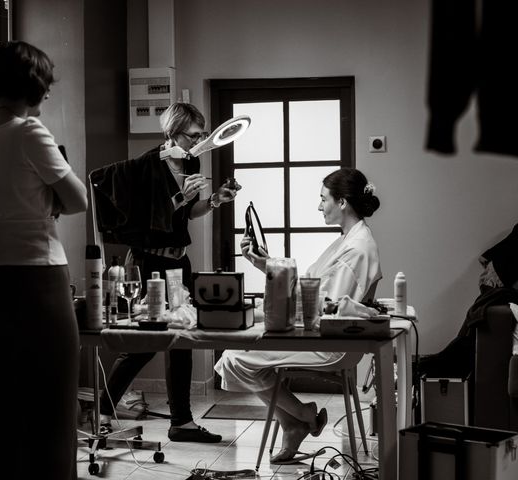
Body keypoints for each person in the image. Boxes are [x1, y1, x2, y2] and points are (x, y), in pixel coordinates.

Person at [0, 41, 88, 480]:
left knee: (1, 406)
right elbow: (77, 201)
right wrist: (46, 199)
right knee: (53, 408)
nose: (50, 93)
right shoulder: (30, 133)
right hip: (38, 279)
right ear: (34, 85)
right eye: (47, 84)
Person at [91, 102, 239, 442]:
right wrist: (176, 199)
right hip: (147, 263)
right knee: (144, 344)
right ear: (172, 132)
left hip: (178, 262)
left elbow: (188, 213)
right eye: (194, 135)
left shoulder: (192, 160)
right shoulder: (144, 167)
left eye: (203, 135)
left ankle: (182, 423)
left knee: (182, 339)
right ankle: (100, 411)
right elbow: (136, 221)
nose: (199, 142)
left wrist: (215, 200)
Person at [215, 168, 382, 463]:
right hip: (317, 331)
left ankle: (300, 416)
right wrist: (266, 263)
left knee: (234, 358)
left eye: (323, 199)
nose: (319, 206)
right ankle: (294, 421)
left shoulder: (356, 248)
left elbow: (326, 306)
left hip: (328, 343)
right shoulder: (349, 239)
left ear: (342, 202)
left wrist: (270, 306)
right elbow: (310, 284)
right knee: (235, 355)